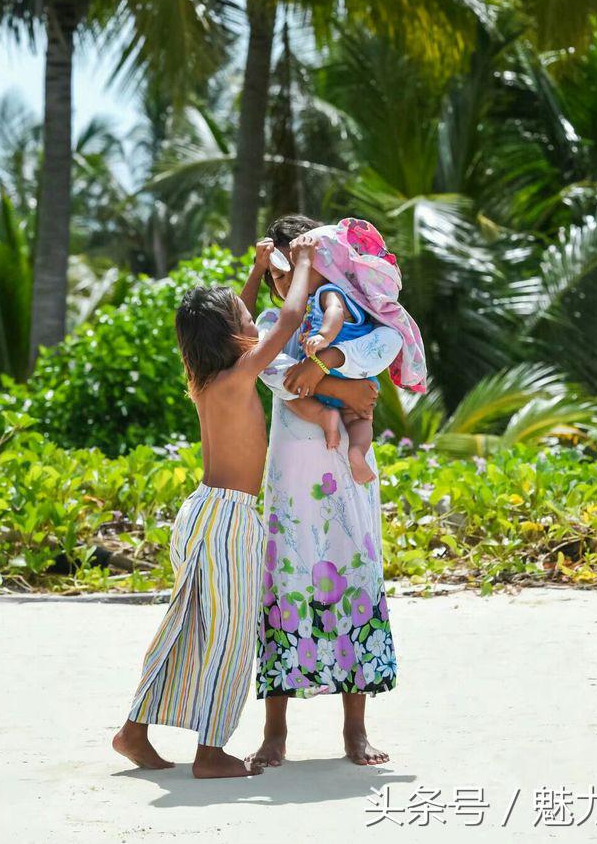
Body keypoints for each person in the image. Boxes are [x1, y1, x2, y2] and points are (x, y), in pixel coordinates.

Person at [112, 235, 317, 779]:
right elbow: (289, 318)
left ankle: (134, 731)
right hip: (229, 519)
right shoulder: (240, 373)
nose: (252, 316)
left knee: (186, 627)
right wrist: (301, 263)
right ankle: (211, 751)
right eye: (244, 316)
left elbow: (238, 322)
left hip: (200, 513)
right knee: (229, 636)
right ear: (234, 335)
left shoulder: (206, 378)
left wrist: (254, 270)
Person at [239, 215, 405, 768]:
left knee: (354, 572)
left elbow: (386, 346)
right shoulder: (273, 322)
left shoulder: (351, 309)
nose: (288, 279)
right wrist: (339, 387)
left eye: (299, 265)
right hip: (291, 477)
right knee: (286, 580)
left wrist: (329, 366)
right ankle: (275, 732)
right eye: (280, 272)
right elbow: (270, 368)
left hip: (348, 473)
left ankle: (355, 731)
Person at [275, 250, 379, 485]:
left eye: (303, 269)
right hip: (347, 377)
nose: (297, 278)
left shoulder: (330, 291)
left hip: (335, 369)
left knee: (292, 396)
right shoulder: (314, 300)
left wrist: (324, 336)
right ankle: (356, 451)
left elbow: (335, 311)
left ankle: (327, 418)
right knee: (358, 420)